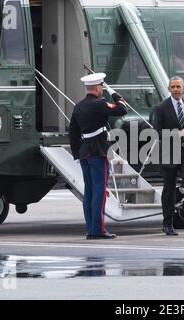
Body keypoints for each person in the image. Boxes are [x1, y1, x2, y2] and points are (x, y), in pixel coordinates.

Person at [68, 73, 127, 240]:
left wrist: (76, 154)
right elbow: (122, 109)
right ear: (97, 88)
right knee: (99, 193)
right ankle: (98, 231)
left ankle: (90, 229)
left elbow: (72, 132)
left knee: (89, 192)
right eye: (101, 87)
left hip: (85, 152)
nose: (102, 89)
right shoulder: (99, 103)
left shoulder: (78, 106)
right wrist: (116, 95)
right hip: (98, 151)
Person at [153, 76, 184, 237]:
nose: (175, 89)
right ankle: (167, 224)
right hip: (169, 154)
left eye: (178, 87)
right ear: (169, 89)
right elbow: (158, 133)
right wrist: (179, 133)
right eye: (173, 87)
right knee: (169, 190)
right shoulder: (161, 108)